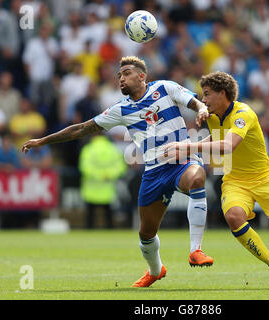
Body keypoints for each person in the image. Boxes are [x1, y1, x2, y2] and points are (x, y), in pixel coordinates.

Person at [22, 56, 214, 287]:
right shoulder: (121, 109)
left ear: (142, 76)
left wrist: (202, 108)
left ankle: (196, 250)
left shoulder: (164, 87)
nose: (121, 79)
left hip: (183, 159)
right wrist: (43, 140)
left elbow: (193, 101)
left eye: (126, 73)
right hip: (154, 171)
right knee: (146, 234)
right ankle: (155, 270)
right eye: (119, 75)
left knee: (197, 177)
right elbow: (81, 128)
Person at [164, 71, 269, 289]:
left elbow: (228, 145)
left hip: (265, 178)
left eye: (207, 94)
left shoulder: (243, 113)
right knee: (233, 217)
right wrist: (191, 150)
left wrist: (187, 146)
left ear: (223, 93)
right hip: (235, 180)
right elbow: (217, 139)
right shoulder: (213, 116)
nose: (203, 100)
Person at [79, 133, 127, 229]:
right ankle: (110, 234)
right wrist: (108, 175)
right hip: (108, 189)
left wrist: (98, 175)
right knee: (108, 216)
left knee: (90, 217)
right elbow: (121, 167)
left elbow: (84, 167)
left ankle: (89, 234)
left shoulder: (88, 149)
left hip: (91, 188)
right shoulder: (113, 149)